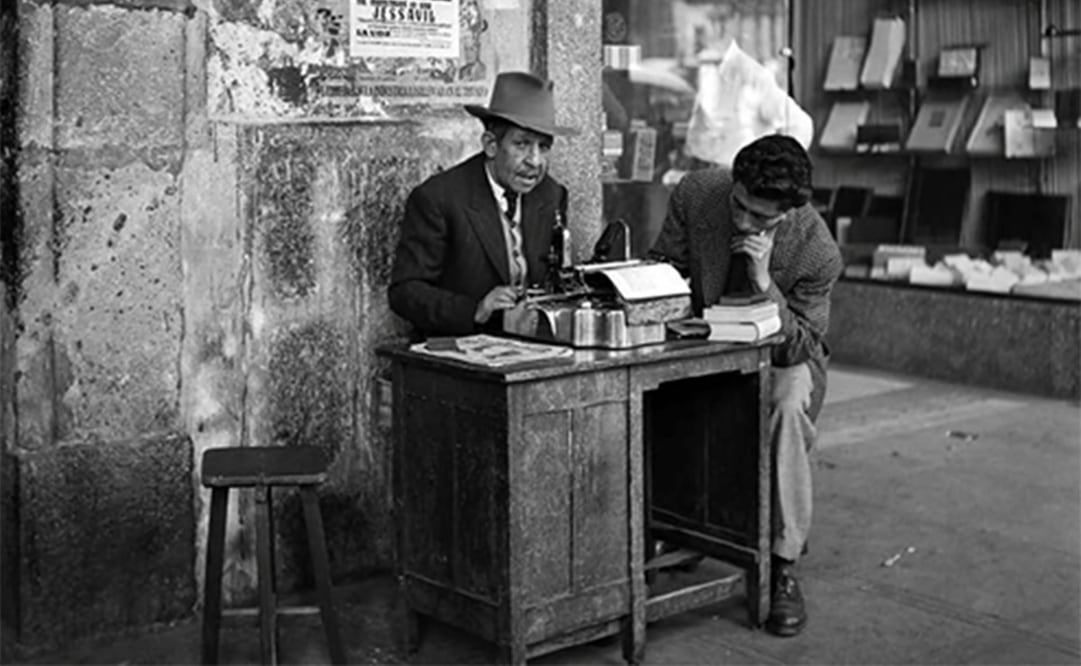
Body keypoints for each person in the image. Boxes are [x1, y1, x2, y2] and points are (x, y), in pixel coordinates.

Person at [647, 134, 843, 637]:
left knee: (785, 407)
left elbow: (802, 345)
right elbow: (665, 269)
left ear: (788, 213)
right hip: (706, 341)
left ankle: (782, 563)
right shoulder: (697, 193)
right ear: (732, 184)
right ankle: (671, 528)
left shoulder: (816, 250)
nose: (742, 223)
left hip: (781, 357)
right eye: (739, 206)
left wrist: (764, 283)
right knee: (646, 391)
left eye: (761, 219)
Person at [389, 71, 577, 337]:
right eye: (522, 144)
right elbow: (405, 292)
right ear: (490, 144)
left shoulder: (551, 195)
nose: (534, 161)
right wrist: (476, 308)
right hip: (460, 354)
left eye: (543, 147)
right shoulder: (438, 198)